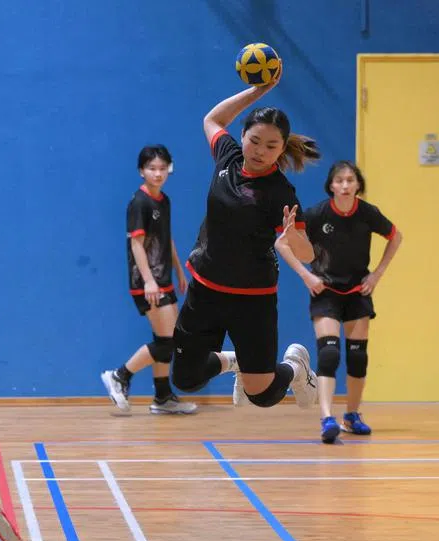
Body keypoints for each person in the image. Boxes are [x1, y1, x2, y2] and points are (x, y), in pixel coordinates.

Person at [170, 68, 321, 410]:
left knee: (263, 395)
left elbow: (308, 253)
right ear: (242, 136)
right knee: (185, 378)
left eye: (271, 145)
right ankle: (232, 361)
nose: (260, 150)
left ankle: (295, 367)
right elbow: (212, 118)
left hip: (252, 298)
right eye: (254, 140)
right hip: (206, 288)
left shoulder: (280, 192)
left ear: (282, 148)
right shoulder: (228, 157)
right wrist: (258, 90)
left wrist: (291, 236)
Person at [287, 161, 402, 442]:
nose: (345, 185)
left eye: (350, 180)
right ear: (331, 186)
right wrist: (306, 276)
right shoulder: (316, 214)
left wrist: (377, 274)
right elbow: (283, 243)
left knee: (357, 357)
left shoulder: (367, 213)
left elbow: (395, 236)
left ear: (358, 184)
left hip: (357, 293)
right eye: (339, 180)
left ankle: (352, 415)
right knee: (329, 354)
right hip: (325, 291)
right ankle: (327, 419)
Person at [100, 145, 196, 416]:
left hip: (164, 278)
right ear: (141, 171)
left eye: (162, 168)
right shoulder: (139, 203)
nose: (157, 173)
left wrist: (179, 270)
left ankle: (163, 397)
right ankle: (120, 375)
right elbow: (137, 245)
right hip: (147, 282)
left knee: (164, 338)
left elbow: (167, 238)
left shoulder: (164, 201)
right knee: (169, 341)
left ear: (169, 169)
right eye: (152, 168)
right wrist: (149, 282)